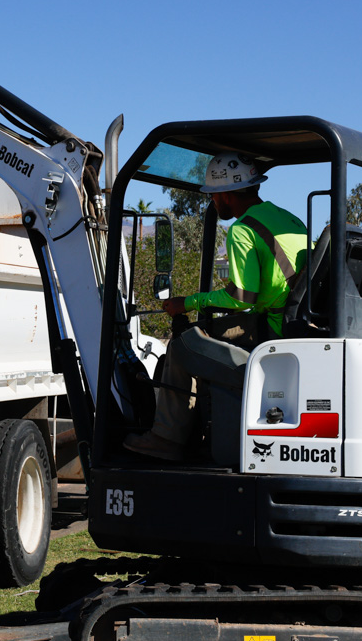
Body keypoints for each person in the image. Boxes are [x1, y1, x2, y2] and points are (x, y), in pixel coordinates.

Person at [123, 151, 309, 461]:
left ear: (224, 194)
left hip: (273, 332)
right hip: (287, 324)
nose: (213, 202)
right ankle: (192, 428)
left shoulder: (243, 230)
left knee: (183, 348)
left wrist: (189, 302)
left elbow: (241, 297)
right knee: (202, 335)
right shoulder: (288, 219)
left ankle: (167, 439)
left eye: (213, 196)